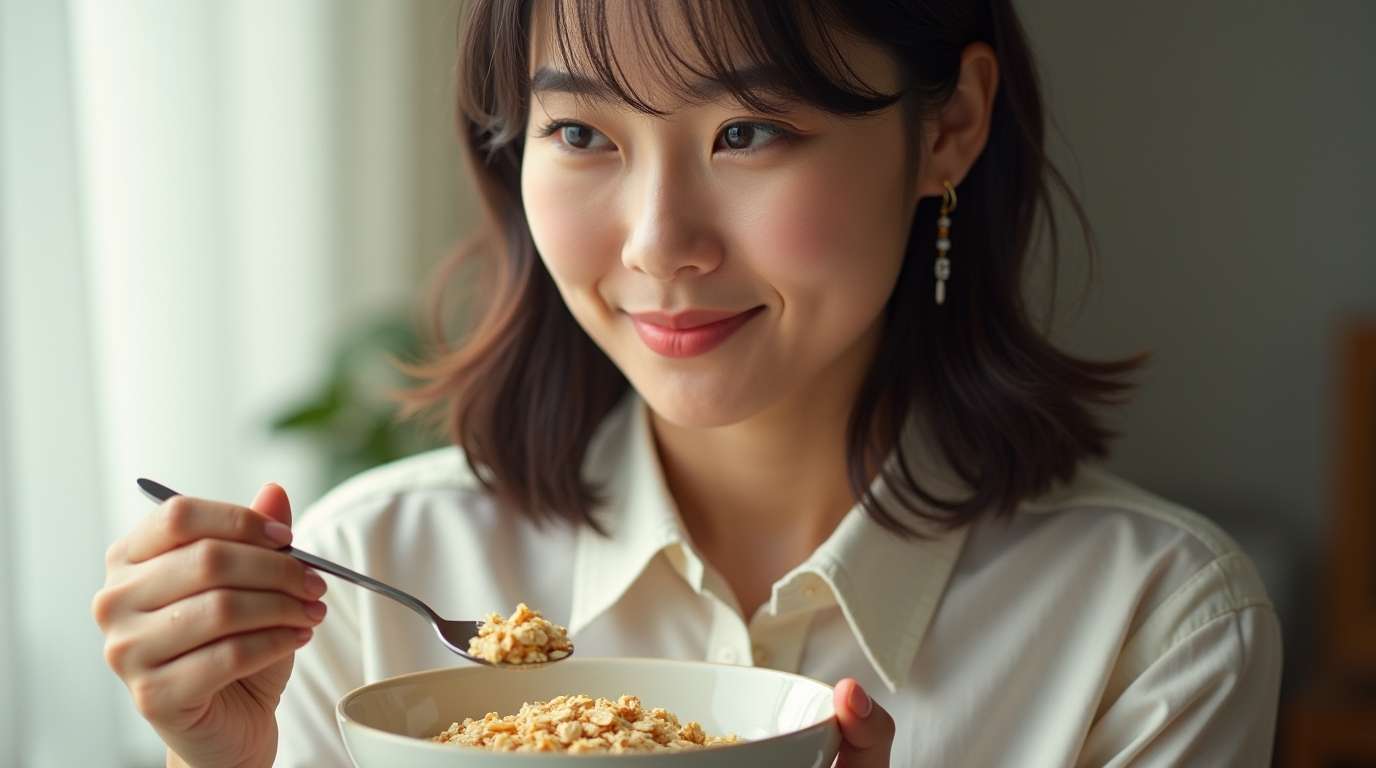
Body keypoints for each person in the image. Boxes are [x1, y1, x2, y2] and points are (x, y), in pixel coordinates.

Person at [92, 1, 1283, 766]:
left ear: (948, 126)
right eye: (581, 134)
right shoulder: (369, 583)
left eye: (747, 132)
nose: (660, 245)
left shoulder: (1154, 627)